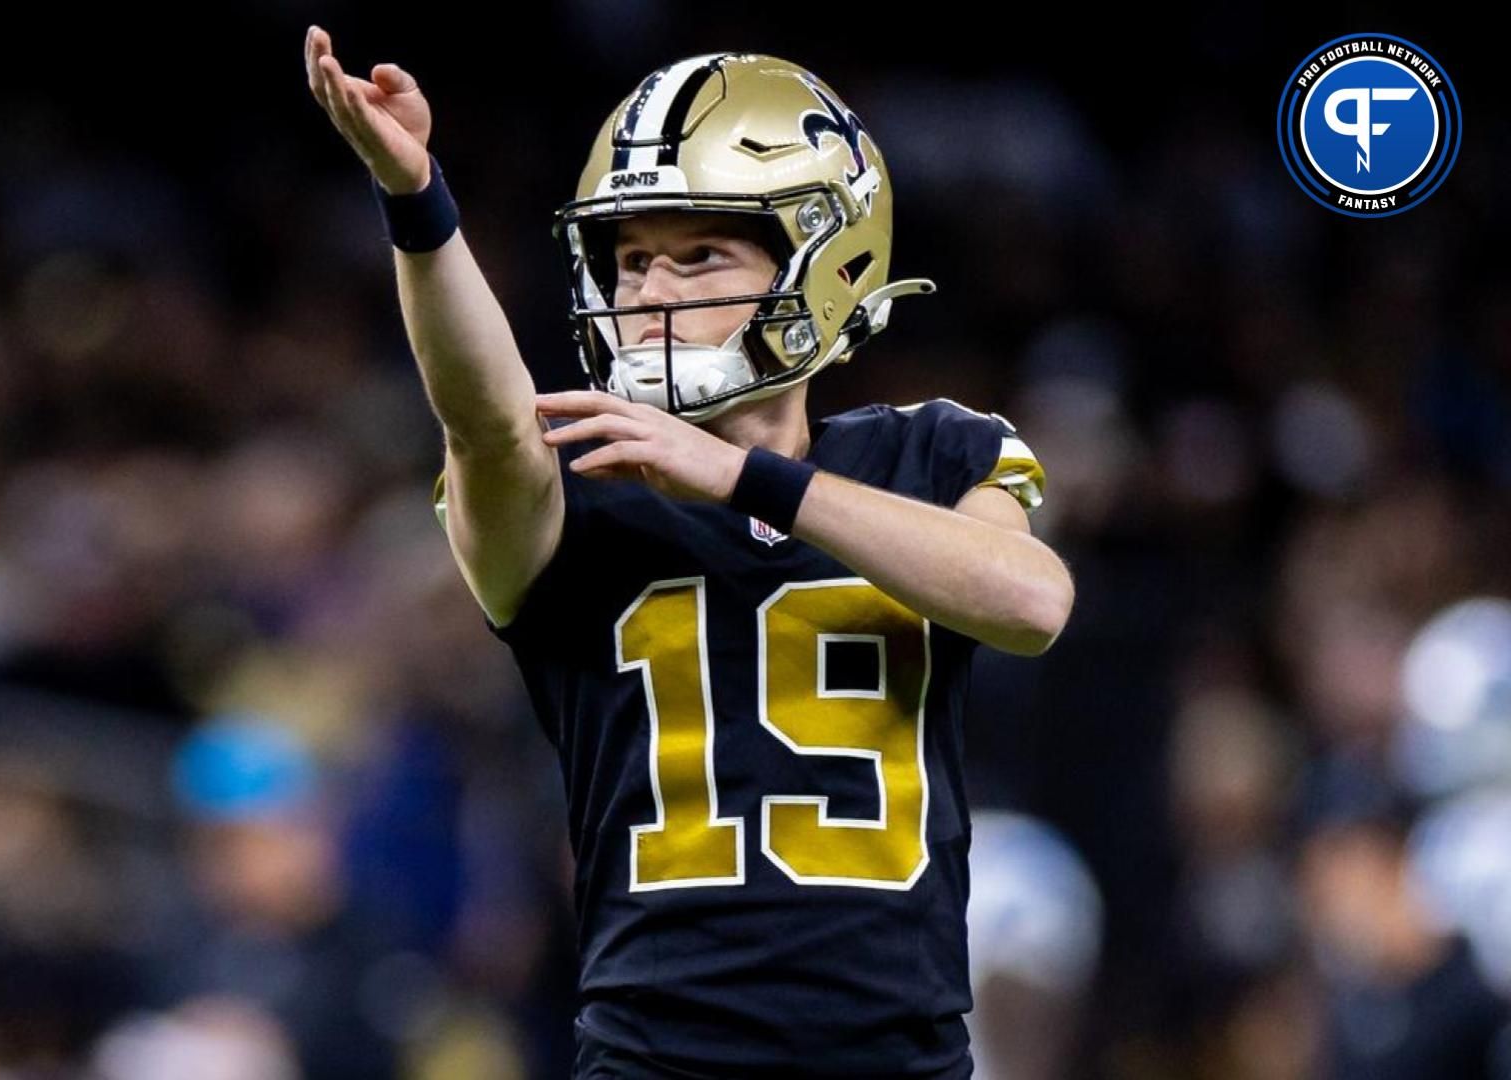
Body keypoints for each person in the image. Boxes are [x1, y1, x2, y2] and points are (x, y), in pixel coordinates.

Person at [305, 29, 1075, 1079]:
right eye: (629, 261)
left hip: (901, 1058)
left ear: (826, 258)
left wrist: (744, 479)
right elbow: (485, 422)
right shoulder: (581, 489)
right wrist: (419, 205)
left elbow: (1029, 602)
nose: (650, 293)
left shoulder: (932, 452)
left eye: (699, 253)